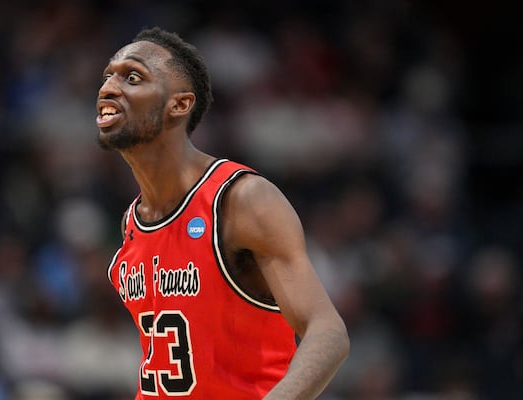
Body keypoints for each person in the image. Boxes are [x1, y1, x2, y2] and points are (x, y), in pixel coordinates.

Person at [96, 27, 349, 399]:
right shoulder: (132, 221)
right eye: (107, 77)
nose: (108, 88)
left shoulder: (241, 200)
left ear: (179, 105)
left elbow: (328, 333)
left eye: (132, 77)